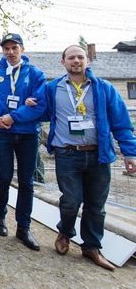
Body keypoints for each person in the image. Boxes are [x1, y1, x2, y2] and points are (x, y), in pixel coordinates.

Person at [46, 45, 136, 270]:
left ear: (87, 60)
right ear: (63, 61)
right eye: (71, 58)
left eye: (80, 57)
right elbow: (36, 109)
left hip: (98, 155)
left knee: (96, 205)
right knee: (71, 201)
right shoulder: (52, 88)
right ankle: (65, 232)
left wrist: (129, 152)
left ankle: (91, 247)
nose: (76, 61)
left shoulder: (104, 88)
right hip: (67, 154)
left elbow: (121, 123)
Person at [0, 33, 46, 250]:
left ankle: (23, 227)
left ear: (22, 49)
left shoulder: (35, 74)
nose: (10, 52)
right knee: (4, 177)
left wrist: (13, 116)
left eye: (14, 47)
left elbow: (40, 104)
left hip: (27, 134)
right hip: (2, 133)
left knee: (26, 182)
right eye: (6, 48)